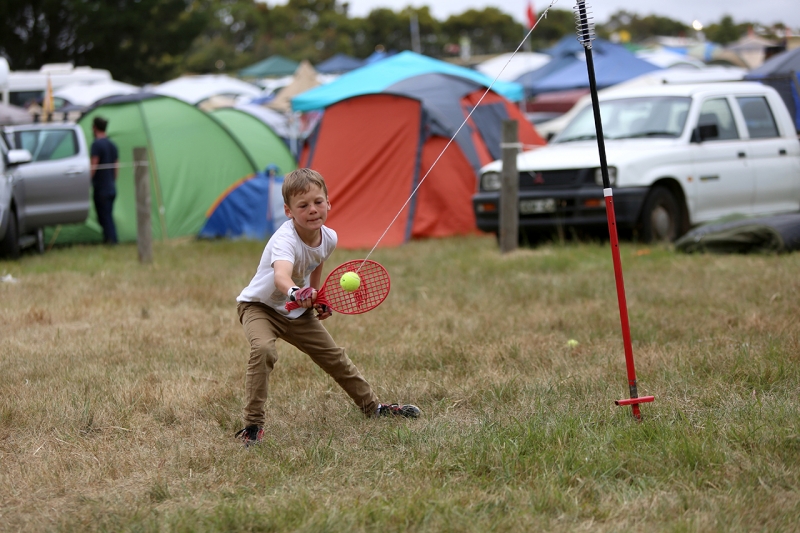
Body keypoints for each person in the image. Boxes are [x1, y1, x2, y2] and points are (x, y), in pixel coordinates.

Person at [234, 168, 420, 447]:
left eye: (318, 202)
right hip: (260, 308)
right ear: (288, 211)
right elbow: (281, 276)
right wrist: (298, 292)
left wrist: (317, 296)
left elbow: (315, 263)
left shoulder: (329, 237)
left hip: (296, 312)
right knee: (263, 350)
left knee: (334, 357)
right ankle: (252, 426)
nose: (312, 210)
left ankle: (374, 408)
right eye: (303, 205)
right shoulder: (284, 240)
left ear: (329, 203)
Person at [90, 116, 119, 244]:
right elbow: (116, 167)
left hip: (101, 188)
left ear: (94, 128)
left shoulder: (96, 145)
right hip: (111, 187)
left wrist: (87, 181)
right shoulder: (113, 145)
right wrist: (112, 181)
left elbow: (93, 166)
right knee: (108, 215)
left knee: (104, 217)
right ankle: (110, 239)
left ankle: (111, 241)